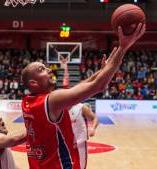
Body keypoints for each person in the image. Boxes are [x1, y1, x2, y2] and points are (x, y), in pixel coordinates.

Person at [21, 23, 145, 169]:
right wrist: (123, 48)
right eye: (42, 69)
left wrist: (101, 71)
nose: (48, 70)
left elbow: (81, 86)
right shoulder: (52, 100)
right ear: (33, 83)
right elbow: (99, 86)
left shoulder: (27, 102)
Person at [61, 56, 99, 169]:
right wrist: (65, 66)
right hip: (65, 144)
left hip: (80, 144)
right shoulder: (60, 108)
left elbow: (95, 118)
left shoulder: (81, 107)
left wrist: (93, 128)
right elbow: (65, 83)